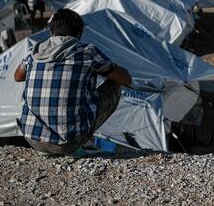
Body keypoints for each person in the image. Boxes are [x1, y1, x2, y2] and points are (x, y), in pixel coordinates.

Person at [14, 9, 132, 156]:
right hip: (68, 142)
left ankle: (50, 145)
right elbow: (126, 79)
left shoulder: (34, 51)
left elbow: (18, 77)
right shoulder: (87, 51)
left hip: (32, 138)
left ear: (51, 32)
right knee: (114, 84)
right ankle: (81, 143)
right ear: (79, 33)